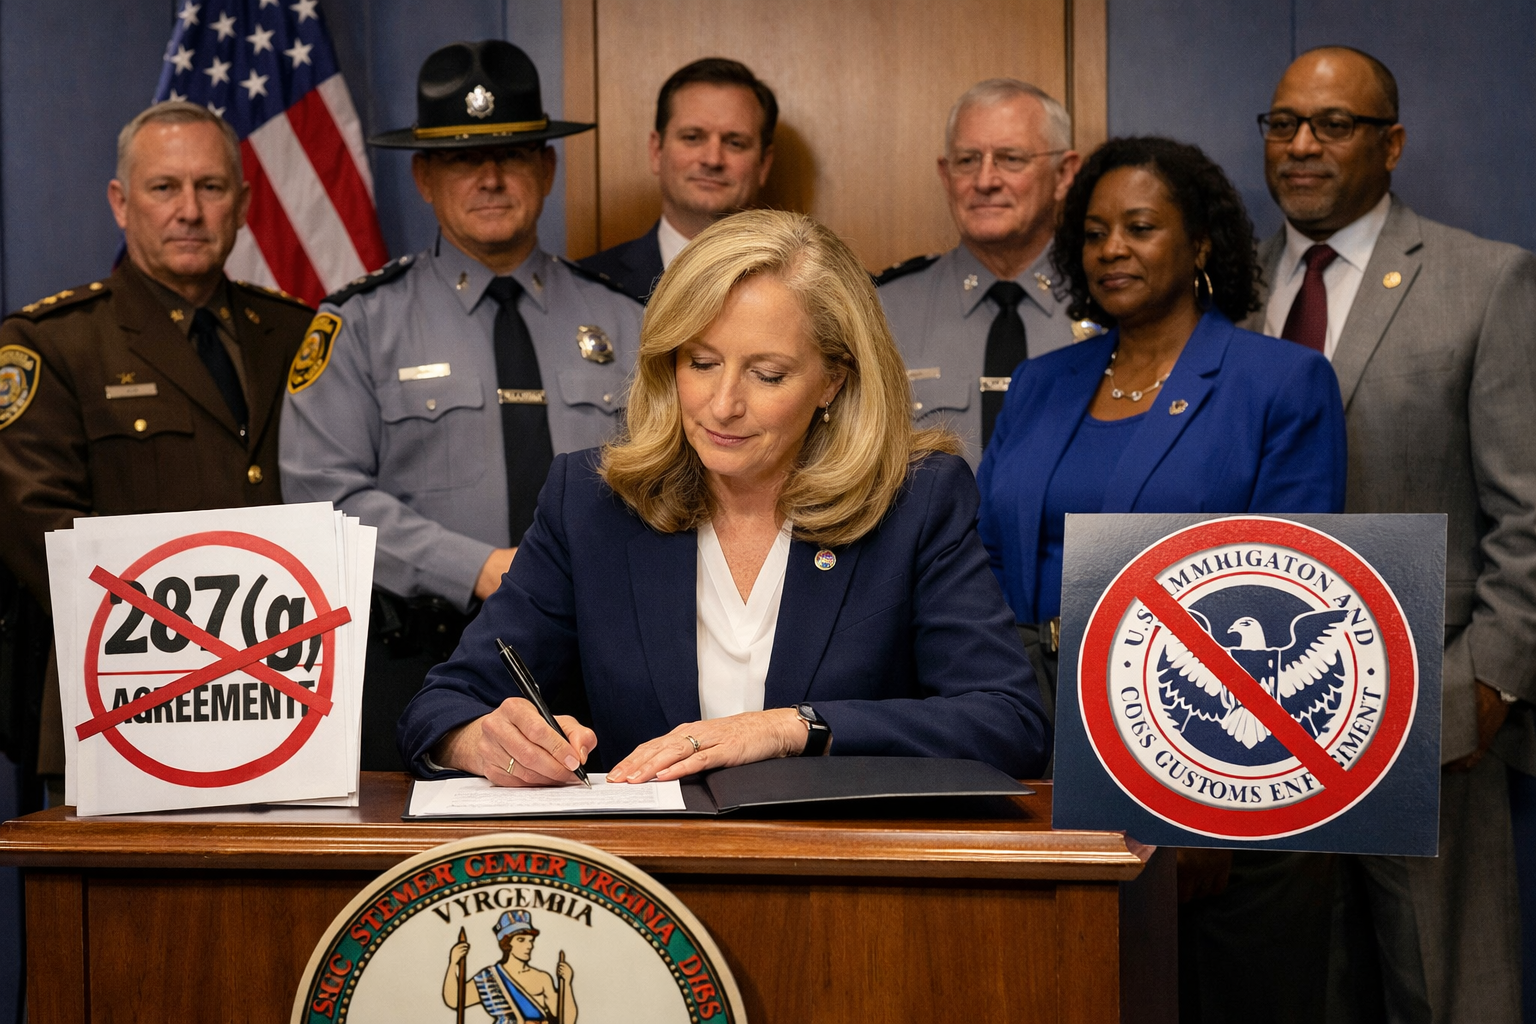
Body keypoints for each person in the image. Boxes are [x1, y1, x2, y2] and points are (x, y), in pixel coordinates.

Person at [398, 209, 1049, 785]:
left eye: (767, 374)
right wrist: (481, 742)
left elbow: (1008, 722)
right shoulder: (591, 502)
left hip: (843, 886)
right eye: (700, 363)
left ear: (833, 381)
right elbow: (442, 705)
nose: (723, 404)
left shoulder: (915, 501)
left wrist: (794, 729)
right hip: (641, 889)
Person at [976, 136, 1347, 1024]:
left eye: (1140, 227)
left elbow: (1289, 595)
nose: (1112, 249)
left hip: (1207, 740)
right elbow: (983, 558)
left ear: (1202, 245)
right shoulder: (1041, 380)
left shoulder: (1281, 381)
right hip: (1031, 739)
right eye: (1095, 231)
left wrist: (1209, 809)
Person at [1246, 47, 1536, 1024]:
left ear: (1392, 143)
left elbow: (1528, 510)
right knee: (1289, 987)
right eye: (1284, 124)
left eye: (1333, 124)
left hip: (1430, 714)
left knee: (1445, 993)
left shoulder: (1486, 280)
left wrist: (1487, 685)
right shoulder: (1224, 287)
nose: (1302, 146)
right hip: (1253, 726)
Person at [280, 41, 643, 772]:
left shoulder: (629, 321)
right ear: (422, 176)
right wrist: (480, 567)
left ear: (546, 168)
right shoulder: (358, 324)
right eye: (460, 159)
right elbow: (323, 495)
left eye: (512, 154)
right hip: (418, 661)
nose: (490, 177)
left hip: (600, 664)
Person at [0, 100, 312, 800]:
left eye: (211, 187)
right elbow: (38, 528)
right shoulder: (53, 341)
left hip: (281, 704)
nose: (189, 211)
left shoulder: (292, 333)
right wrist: (206, 638)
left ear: (243, 203)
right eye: (163, 187)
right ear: (121, 203)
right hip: (122, 705)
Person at [877, 79, 1093, 469]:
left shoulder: (1111, 304)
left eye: (1011, 159)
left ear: (1064, 174)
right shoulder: (883, 311)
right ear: (946, 175)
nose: (985, 181)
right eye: (967, 160)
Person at [577, 58, 777, 303]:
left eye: (735, 143)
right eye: (693, 137)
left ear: (764, 164)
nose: (713, 159)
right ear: (657, 151)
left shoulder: (794, 284)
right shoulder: (588, 286)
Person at [444, 911, 575, 1023]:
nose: (529, 946)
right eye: (521, 940)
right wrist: (453, 963)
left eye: (530, 940)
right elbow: (455, 1000)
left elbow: (566, 1020)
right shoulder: (489, 978)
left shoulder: (542, 978)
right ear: (507, 944)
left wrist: (567, 984)